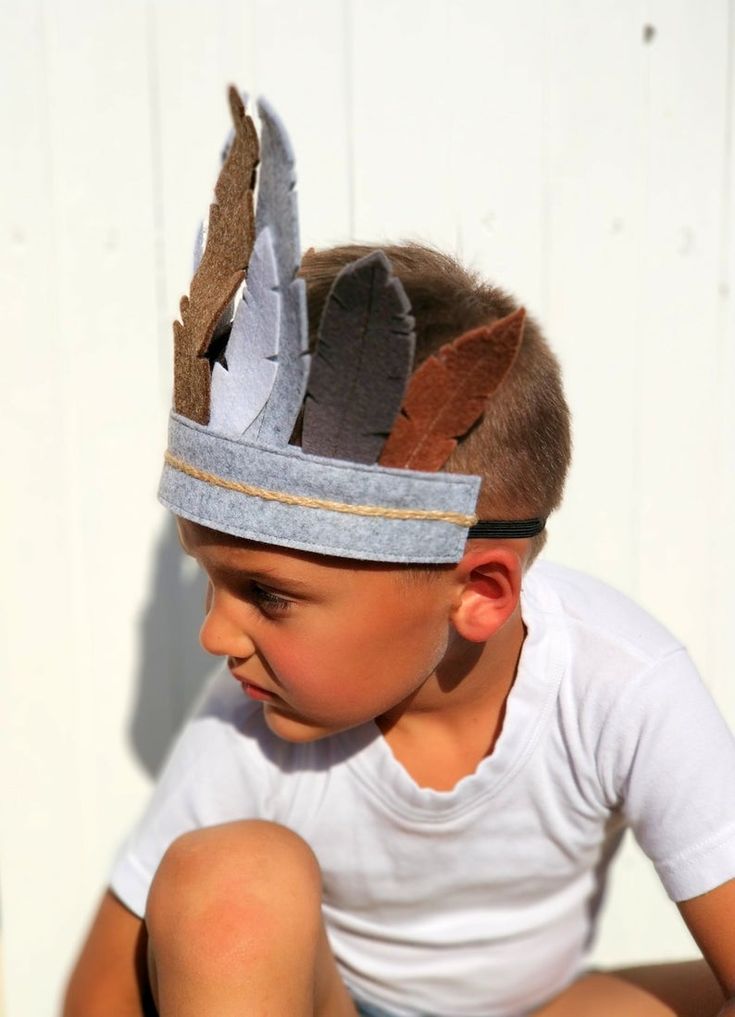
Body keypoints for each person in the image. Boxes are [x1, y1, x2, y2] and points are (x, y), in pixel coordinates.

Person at [63, 90, 735, 1017]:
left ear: (480, 590)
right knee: (230, 886)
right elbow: (99, 993)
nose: (217, 634)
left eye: (267, 592)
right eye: (215, 582)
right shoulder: (246, 730)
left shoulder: (621, 685)